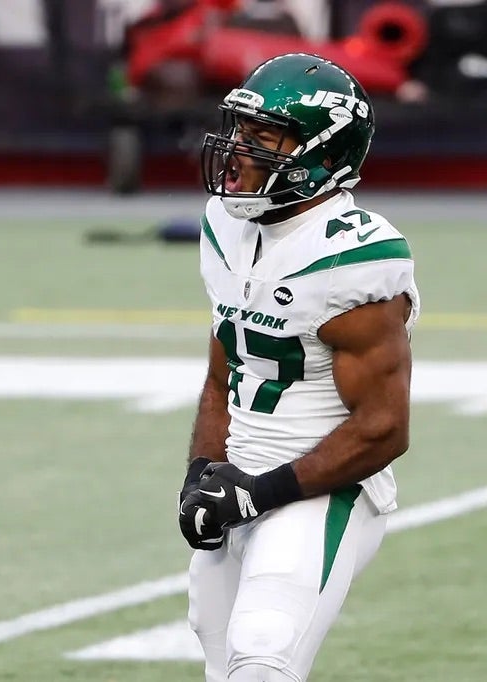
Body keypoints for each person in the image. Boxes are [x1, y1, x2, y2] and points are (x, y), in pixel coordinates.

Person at [178, 52, 421, 682]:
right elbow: (223, 370)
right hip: (241, 478)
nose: (236, 152)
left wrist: (260, 494)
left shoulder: (353, 256)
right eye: (238, 131)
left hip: (324, 488)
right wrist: (203, 473)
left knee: (262, 653)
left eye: (261, 139)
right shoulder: (225, 226)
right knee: (219, 653)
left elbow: (384, 427)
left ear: (322, 155)